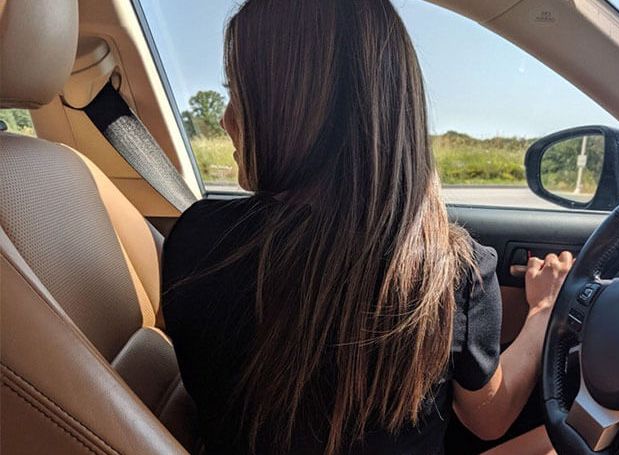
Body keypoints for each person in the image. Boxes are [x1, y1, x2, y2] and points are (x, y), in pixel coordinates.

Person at [161, 1, 573, 453]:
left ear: (293, 110)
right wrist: (543, 312)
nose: (226, 119)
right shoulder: (449, 273)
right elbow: (489, 419)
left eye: (240, 93)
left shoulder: (196, 242)